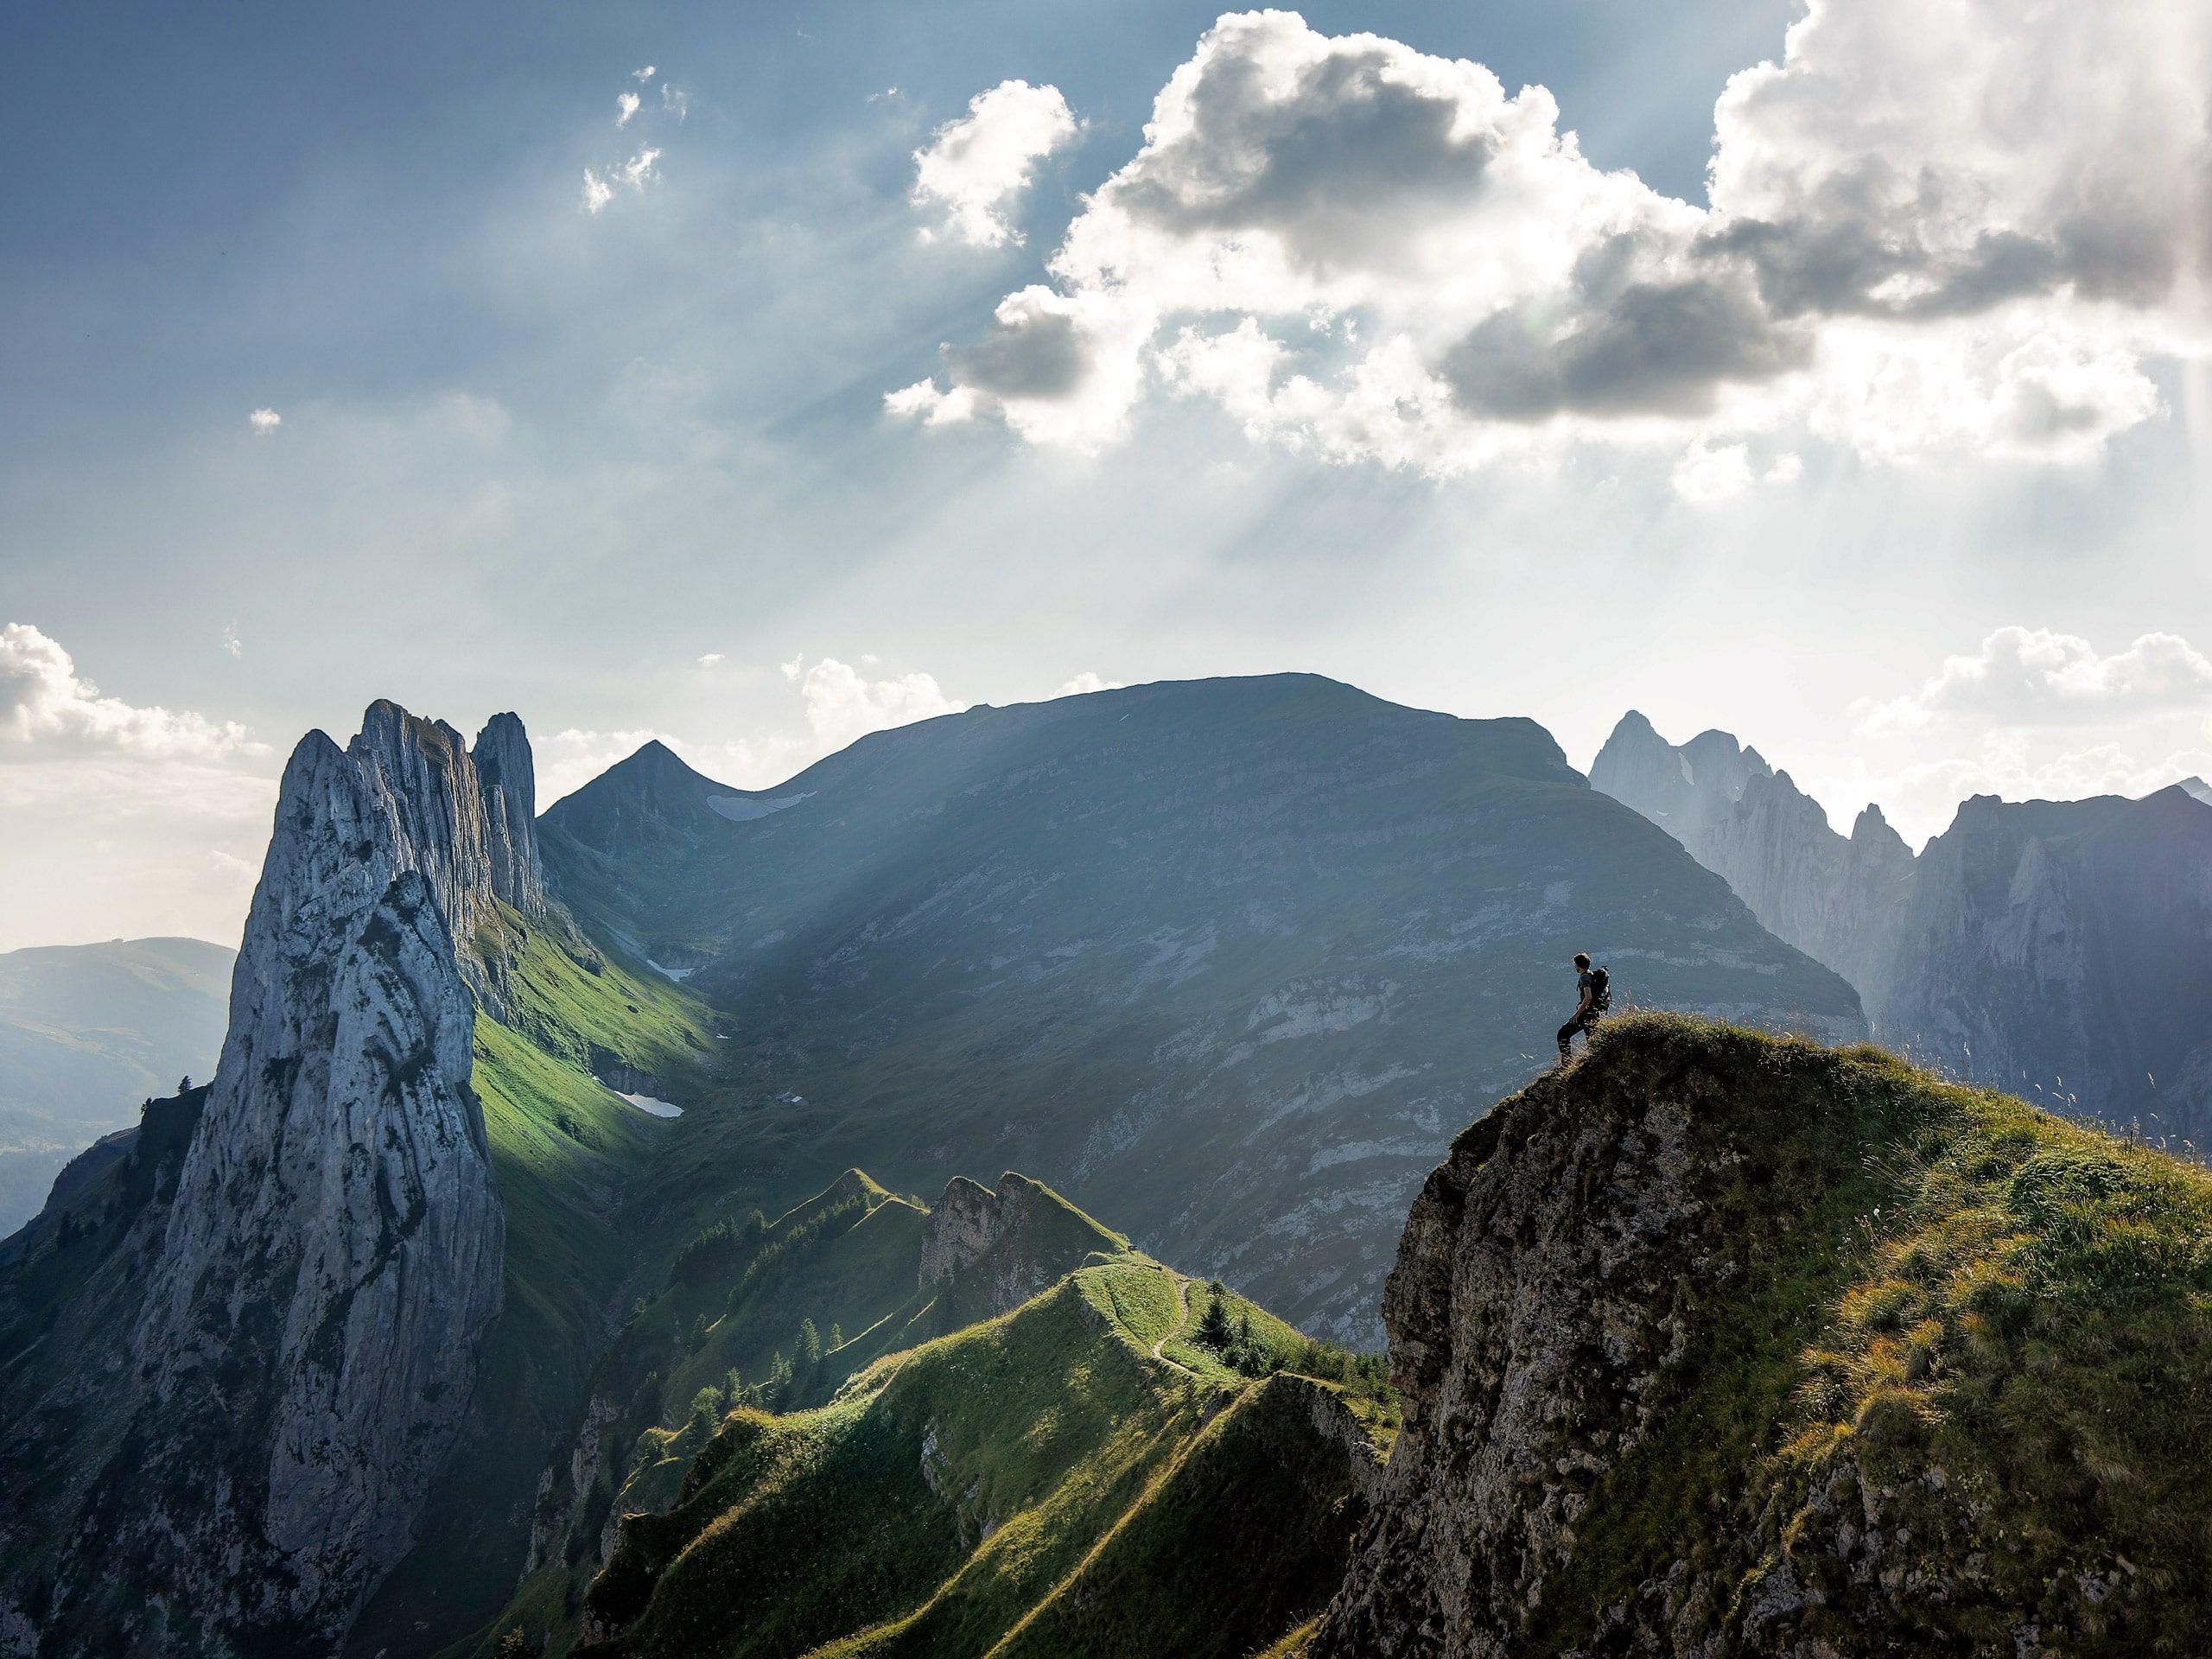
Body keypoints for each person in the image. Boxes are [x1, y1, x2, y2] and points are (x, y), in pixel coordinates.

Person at [1557, 952, 1607, 1065]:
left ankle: (1567, 1064)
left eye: (1575, 964)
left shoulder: (1585, 977)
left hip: (1586, 1014)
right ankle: (1595, 1065)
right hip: (1594, 1013)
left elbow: (1588, 997)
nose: (1575, 966)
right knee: (1593, 1042)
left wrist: (1577, 1014)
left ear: (1578, 965)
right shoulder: (1591, 975)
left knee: (1562, 1034)